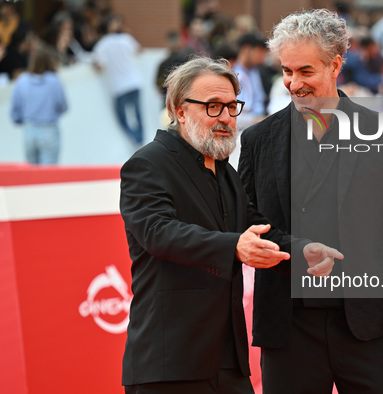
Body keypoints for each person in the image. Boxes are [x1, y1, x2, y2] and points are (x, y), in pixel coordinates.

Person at [120, 56, 343, 393]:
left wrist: (302, 251)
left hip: (229, 361)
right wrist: (232, 246)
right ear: (179, 110)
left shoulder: (224, 171)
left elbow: (257, 226)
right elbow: (158, 233)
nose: (225, 118)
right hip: (169, 362)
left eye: (231, 107)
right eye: (212, 107)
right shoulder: (147, 164)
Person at [239, 8, 383, 393]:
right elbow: (247, 220)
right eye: (287, 72)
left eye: (305, 71)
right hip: (288, 329)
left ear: (336, 64)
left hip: (367, 326)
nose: (293, 83)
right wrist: (296, 248)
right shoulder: (258, 141)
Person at [9, 43, 68, 165]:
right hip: (48, 130)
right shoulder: (54, 80)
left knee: (33, 176)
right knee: (48, 176)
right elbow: (63, 106)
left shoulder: (22, 81)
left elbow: (14, 111)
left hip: (29, 131)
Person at [93, 14, 143, 144]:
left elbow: (100, 66)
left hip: (119, 87)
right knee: (137, 114)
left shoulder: (101, 45)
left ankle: (135, 139)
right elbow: (139, 50)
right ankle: (140, 139)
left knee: (122, 118)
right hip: (134, 82)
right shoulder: (126, 39)